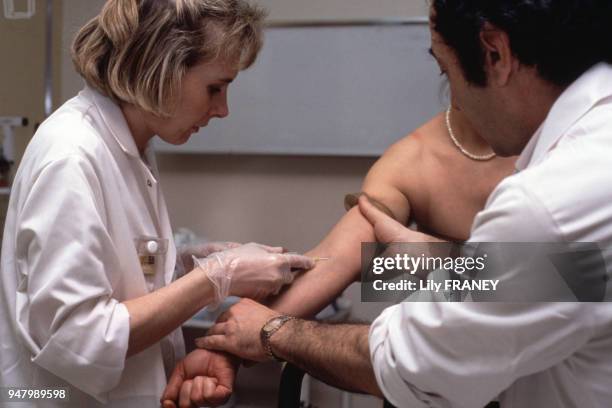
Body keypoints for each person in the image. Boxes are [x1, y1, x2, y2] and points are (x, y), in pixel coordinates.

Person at [164, 0, 612, 407]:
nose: (447, 90)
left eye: (444, 69)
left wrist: (267, 333)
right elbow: (571, 276)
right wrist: (438, 260)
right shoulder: (583, 157)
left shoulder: (546, 201)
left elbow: (410, 362)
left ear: (494, 54)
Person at [0, 1, 315, 407]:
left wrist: (184, 262)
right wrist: (215, 279)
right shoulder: (71, 155)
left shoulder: (131, 144)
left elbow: (111, 273)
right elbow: (80, 339)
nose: (222, 109)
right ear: (162, 68)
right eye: (214, 88)